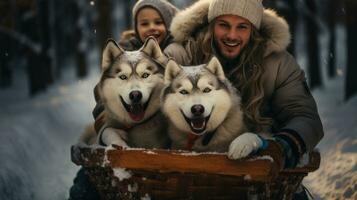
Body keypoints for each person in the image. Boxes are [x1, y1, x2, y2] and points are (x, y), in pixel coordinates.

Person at [164, 0, 323, 199]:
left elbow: (305, 117)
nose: (232, 35)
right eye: (224, 25)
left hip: (257, 166)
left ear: (253, 29)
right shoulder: (183, 54)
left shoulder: (279, 63)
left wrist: (280, 147)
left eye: (242, 27)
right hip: (190, 172)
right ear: (212, 24)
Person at [69, 1, 178, 199]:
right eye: (144, 23)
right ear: (136, 28)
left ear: (169, 25)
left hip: (164, 134)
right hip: (120, 128)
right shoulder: (122, 51)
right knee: (87, 181)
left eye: (158, 22)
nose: (152, 27)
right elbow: (103, 94)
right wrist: (106, 125)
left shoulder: (180, 51)